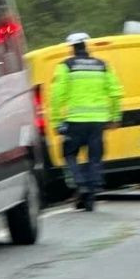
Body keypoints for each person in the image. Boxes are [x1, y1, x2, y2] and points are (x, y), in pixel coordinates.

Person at [49, 33, 123, 211]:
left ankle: (80, 183)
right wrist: (115, 117)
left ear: (72, 48)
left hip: (75, 121)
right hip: (98, 121)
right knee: (95, 155)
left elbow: (57, 96)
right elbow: (115, 93)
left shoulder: (66, 66)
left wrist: (57, 121)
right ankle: (92, 188)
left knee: (69, 153)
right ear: (86, 47)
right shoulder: (103, 66)